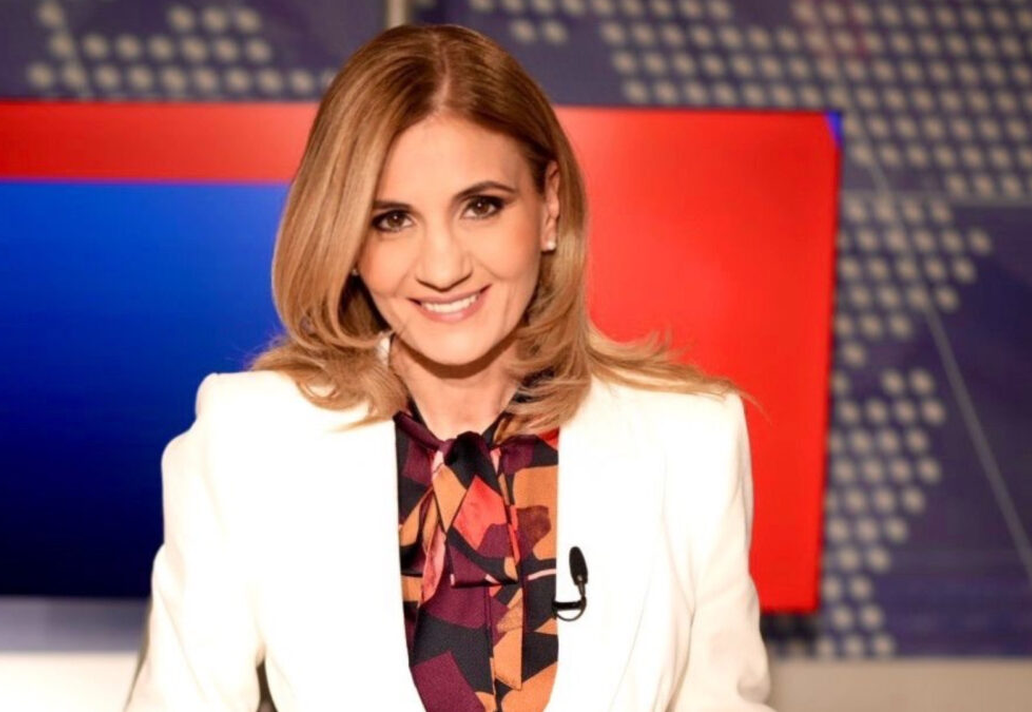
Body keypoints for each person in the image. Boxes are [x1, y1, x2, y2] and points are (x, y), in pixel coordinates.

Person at [125, 22, 773, 712]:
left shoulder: (691, 441)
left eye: (481, 206)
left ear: (550, 206)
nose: (442, 267)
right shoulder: (250, 439)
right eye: (392, 220)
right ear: (347, 239)